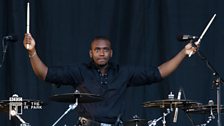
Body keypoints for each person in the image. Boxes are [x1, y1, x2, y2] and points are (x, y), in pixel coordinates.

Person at [23, 33, 198, 125]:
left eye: (105, 49)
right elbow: (44, 73)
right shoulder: (79, 71)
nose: (101, 52)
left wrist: (183, 52)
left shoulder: (123, 72)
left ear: (111, 53)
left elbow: (158, 72)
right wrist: (32, 52)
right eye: (97, 49)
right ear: (91, 53)